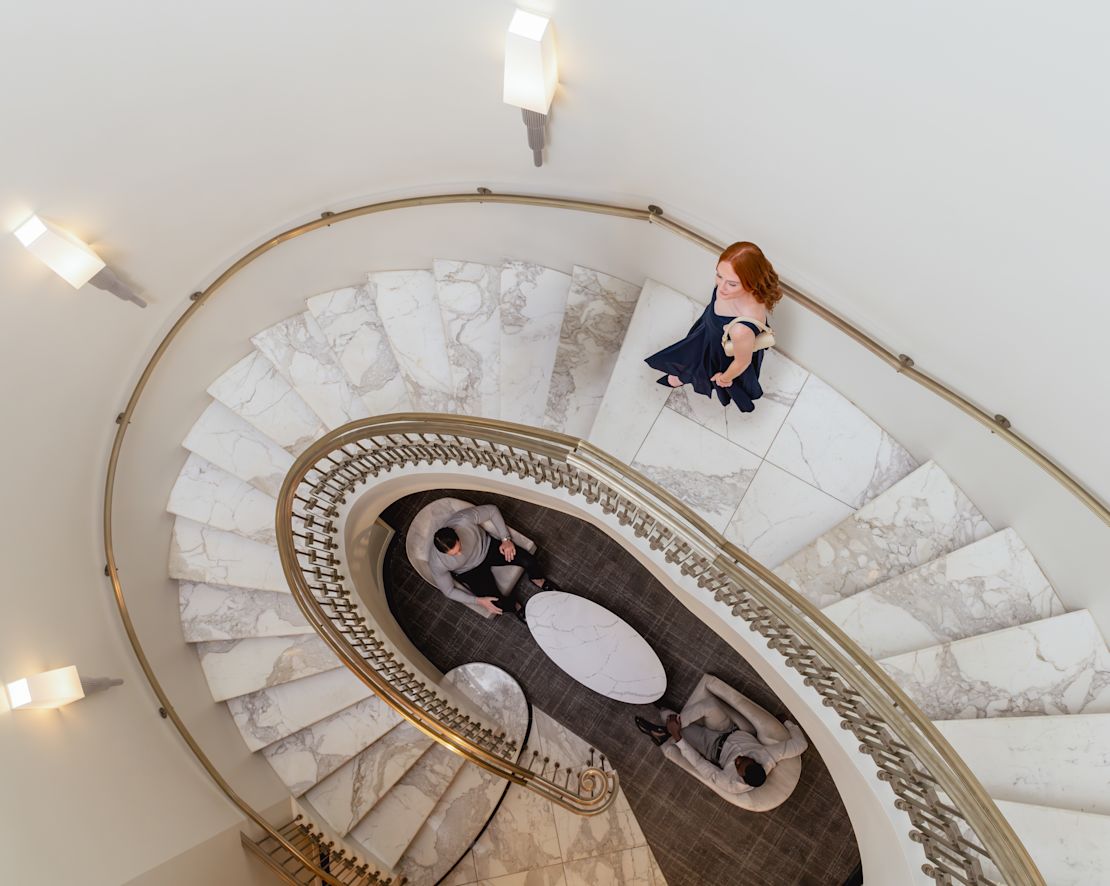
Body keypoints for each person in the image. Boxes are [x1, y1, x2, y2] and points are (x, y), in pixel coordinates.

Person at [645, 241, 783, 412]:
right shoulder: (742, 289)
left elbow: (742, 362)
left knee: (698, 365)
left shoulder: (741, 329)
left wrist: (725, 378)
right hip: (708, 331)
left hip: (718, 349)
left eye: (732, 283)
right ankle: (680, 376)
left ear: (751, 282)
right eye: (719, 275)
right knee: (690, 355)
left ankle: (679, 378)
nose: (721, 286)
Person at [634, 707, 807, 797]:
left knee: (667, 716)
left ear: (741, 778)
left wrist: (678, 737)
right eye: (745, 759)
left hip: (710, 746)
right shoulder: (768, 757)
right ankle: (666, 728)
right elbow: (801, 744)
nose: (739, 758)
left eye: (737, 764)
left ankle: (667, 725)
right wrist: (788, 724)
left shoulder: (731, 784)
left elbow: (700, 764)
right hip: (728, 729)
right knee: (708, 706)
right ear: (756, 762)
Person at [427, 503, 556, 622]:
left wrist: (505, 539)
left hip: (487, 548)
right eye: (453, 554)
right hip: (469, 571)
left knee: (529, 560)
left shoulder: (463, 520)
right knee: (495, 605)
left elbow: (492, 510)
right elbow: (448, 591)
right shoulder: (436, 563)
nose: (459, 554)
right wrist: (477, 601)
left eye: (459, 548)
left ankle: (538, 580)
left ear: (457, 535)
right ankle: (516, 606)